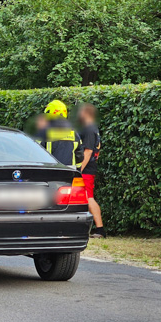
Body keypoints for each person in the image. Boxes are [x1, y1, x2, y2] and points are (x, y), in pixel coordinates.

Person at [78, 103, 105, 238]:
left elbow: (88, 152)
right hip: (90, 168)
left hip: (87, 169)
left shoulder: (88, 129)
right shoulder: (94, 129)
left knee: (89, 198)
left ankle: (100, 229)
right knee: (86, 197)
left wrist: (79, 169)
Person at [41, 100, 82, 167]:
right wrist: (77, 170)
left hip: (51, 170)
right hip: (70, 171)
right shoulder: (73, 132)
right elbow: (79, 155)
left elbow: (37, 152)